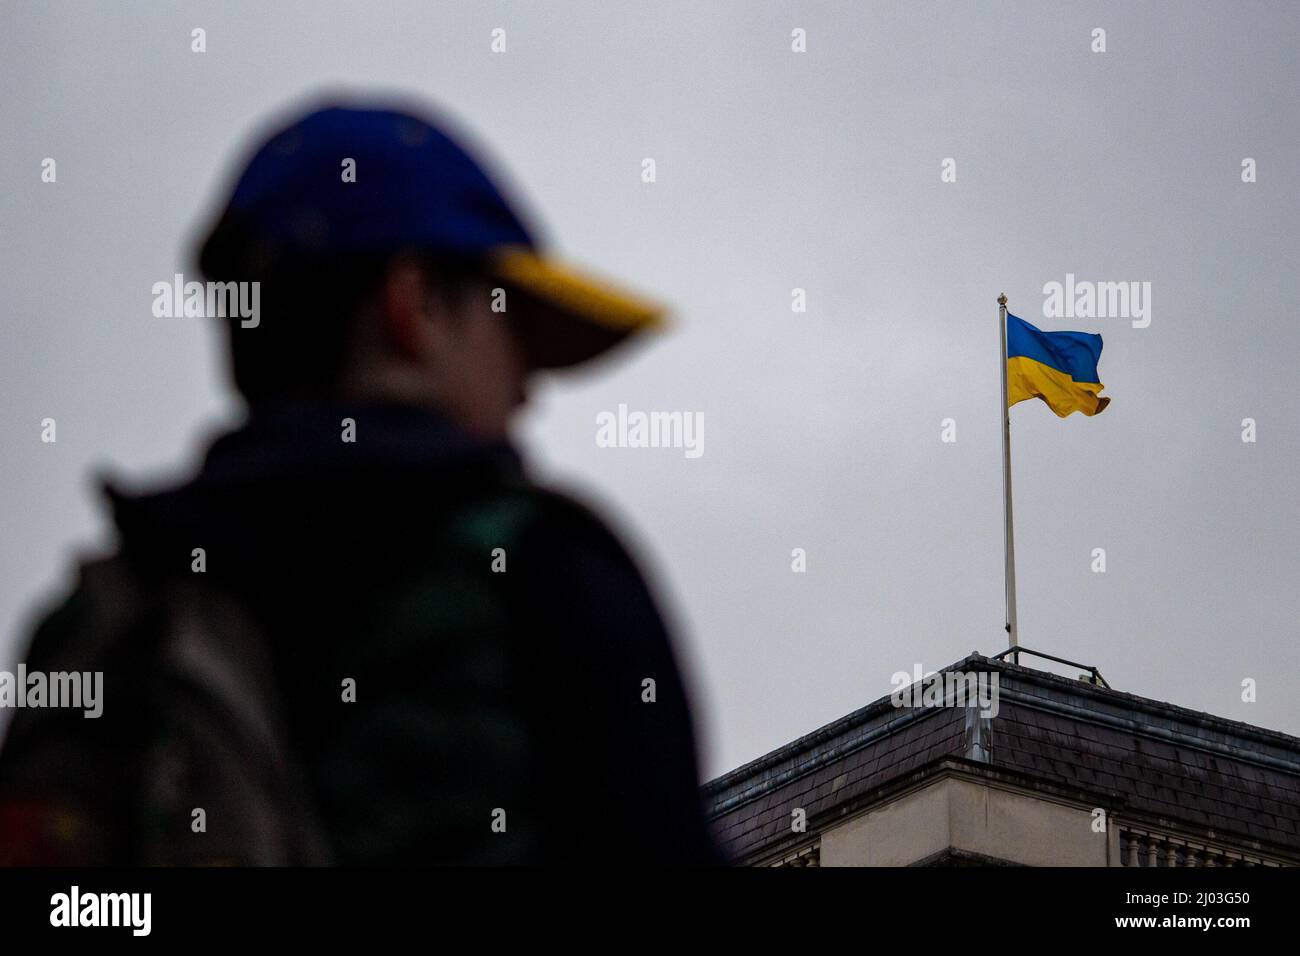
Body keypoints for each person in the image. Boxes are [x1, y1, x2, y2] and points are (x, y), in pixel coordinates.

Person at [0, 101, 718, 865]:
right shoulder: (549, 570)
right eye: (512, 332)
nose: (528, 392)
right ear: (412, 306)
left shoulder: (102, 619)